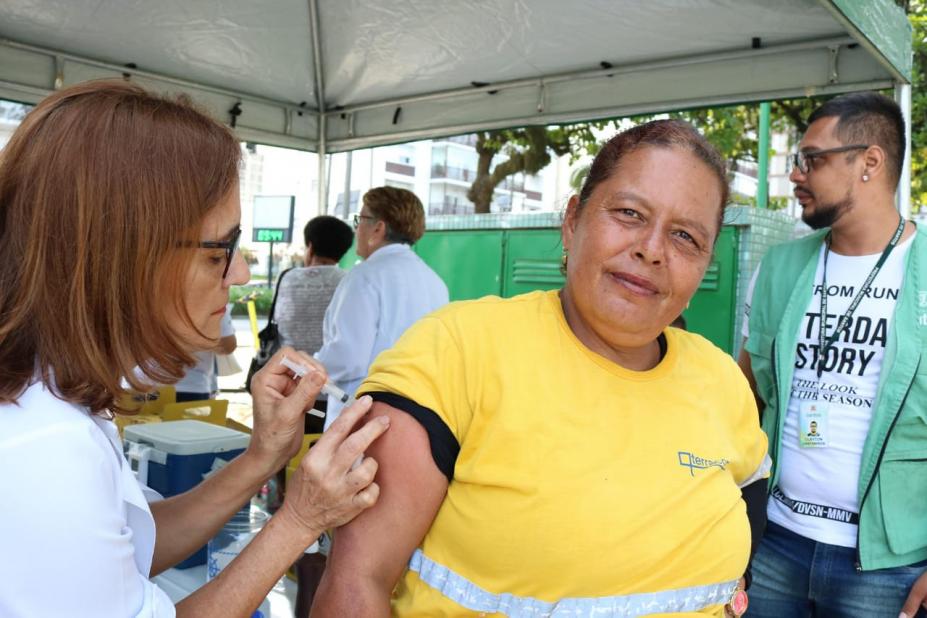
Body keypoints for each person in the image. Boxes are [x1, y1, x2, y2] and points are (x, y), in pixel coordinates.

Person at [312, 120, 769, 617]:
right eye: (629, 213)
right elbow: (358, 581)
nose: (652, 250)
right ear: (572, 221)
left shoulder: (719, 378)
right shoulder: (457, 352)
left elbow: (751, 488)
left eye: (685, 236)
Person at [0, 80, 389, 618]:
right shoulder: (43, 446)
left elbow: (127, 550)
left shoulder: (51, 392)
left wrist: (262, 458)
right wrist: (299, 520)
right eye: (219, 252)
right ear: (125, 254)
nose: (243, 273)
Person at [738, 92, 927, 618]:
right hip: (775, 542)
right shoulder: (779, 266)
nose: (796, 175)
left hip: (890, 566)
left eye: (812, 159)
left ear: (870, 161)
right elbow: (742, 395)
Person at [316, 186, 448, 427]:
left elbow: (348, 358)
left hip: (361, 414)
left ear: (378, 227)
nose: (357, 228)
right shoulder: (434, 281)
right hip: (416, 417)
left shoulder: (364, 276)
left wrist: (310, 366)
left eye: (361, 219)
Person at [276, 216, 354, 361]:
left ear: (310, 247)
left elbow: (280, 319)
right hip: (330, 368)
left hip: (289, 365)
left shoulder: (288, 278)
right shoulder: (349, 280)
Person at [173, 309, 236, 401]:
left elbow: (228, 345)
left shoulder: (148, 297)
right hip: (191, 386)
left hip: (149, 385)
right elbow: (227, 345)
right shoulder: (214, 300)